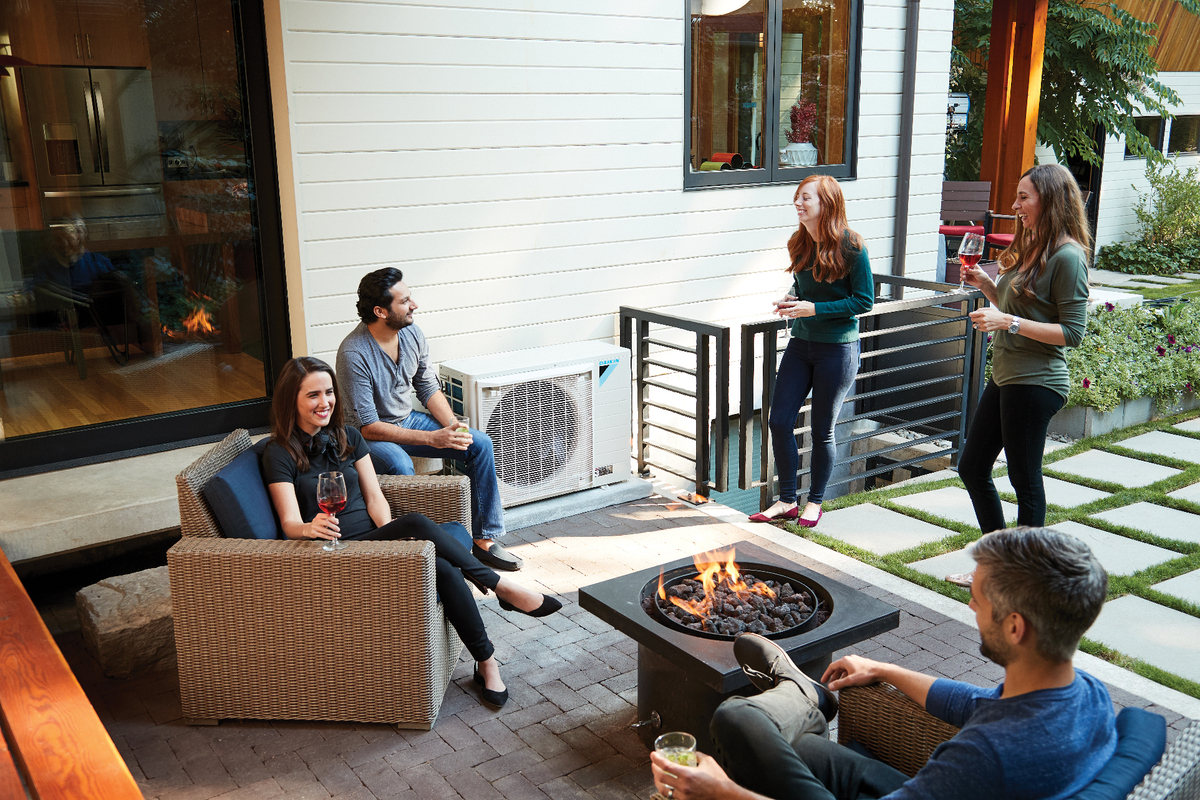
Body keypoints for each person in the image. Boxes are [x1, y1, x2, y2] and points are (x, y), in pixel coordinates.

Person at [650, 526, 1115, 800]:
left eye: (977, 598)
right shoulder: (1083, 693)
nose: (971, 606)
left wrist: (723, 793)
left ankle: (802, 695)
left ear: (1015, 627)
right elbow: (978, 704)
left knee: (736, 718)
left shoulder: (983, 757)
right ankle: (803, 696)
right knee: (794, 746)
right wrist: (886, 670)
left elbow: (984, 740)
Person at [261, 356, 562, 709]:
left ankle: (487, 662)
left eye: (329, 392)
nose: (324, 401)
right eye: (313, 395)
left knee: (442, 563)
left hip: (375, 541)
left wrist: (392, 538)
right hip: (337, 552)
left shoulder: (348, 437)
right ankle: (500, 587)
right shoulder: (278, 452)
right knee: (419, 524)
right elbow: (289, 523)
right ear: (292, 400)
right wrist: (309, 527)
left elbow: (375, 498)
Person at [336, 268, 522, 571]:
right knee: (399, 464)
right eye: (404, 301)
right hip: (367, 437)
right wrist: (432, 438)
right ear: (380, 311)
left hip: (406, 419)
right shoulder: (354, 353)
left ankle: (483, 540)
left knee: (479, 444)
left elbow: (427, 387)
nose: (414, 305)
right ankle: (409, 549)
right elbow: (368, 426)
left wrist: (452, 425)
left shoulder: (412, 333)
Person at [958, 164, 1091, 534]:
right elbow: (1020, 307)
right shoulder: (1035, 246)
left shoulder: (1068, 257)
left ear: (1048, 200)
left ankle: (1025, 565)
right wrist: (986, 285)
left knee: (1025, 481)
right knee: (972, 468)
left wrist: (1007, 322)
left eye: (1023, 197)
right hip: (1008, 376)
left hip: (1036, 381)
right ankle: (1002, 554)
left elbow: (1072, 332)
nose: (1015, 206)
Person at [750, 175, 874, 527]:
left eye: (806, 198)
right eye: (798, 197)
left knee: (822, 430)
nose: (799, 203)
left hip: (838, 349)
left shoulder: (853, 246)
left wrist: (814, 309)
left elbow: (864, 301)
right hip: (802, 344)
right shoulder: (798, 242)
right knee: (779, 421)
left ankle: (814, 502)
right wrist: (792, 300)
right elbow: (803, 286)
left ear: (827, 204)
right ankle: (787, 500)